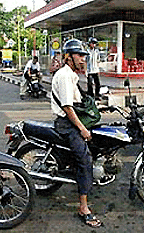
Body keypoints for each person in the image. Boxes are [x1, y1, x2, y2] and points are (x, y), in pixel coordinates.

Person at [51, 39, 102, 228]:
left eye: (84, 56)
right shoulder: (64, 75)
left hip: (70, 119)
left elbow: (78, 102)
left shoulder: (71, 75)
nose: (83, 59)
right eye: (80, 55)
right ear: (69, 57)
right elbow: (67, 107)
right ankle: (83, 208)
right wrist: (81, 128)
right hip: (66, 123)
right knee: (85, 160)